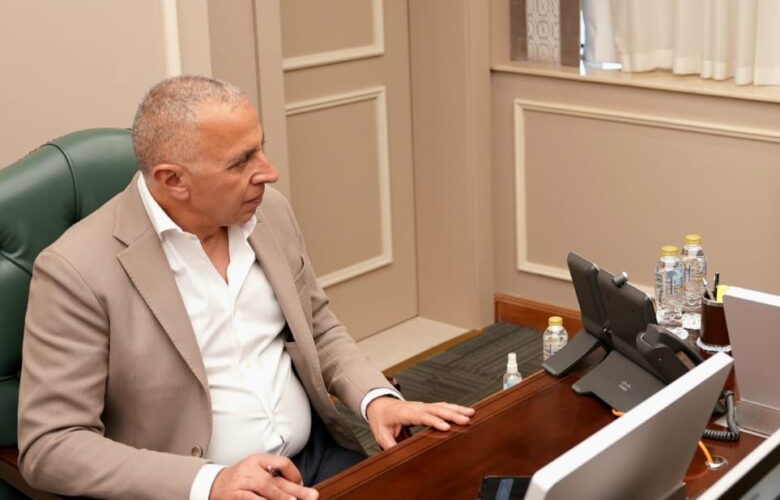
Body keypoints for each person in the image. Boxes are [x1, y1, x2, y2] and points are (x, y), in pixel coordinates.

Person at [18, 76, 475, 500]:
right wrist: (210, 482)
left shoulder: (268, 212)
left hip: (316, 459)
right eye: (241, 162)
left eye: (261, 149)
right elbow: (51, 445)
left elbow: (317, 327)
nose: (269, 172)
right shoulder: (76, 270)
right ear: (173, 180)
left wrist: (375, 399)